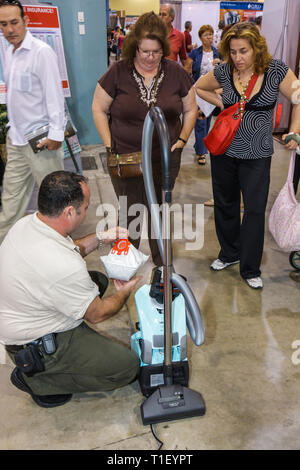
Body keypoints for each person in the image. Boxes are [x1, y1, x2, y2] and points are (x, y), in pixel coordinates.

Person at [0, 171, 140, 407]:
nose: (87, 211)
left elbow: (71, 248)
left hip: (21, 316)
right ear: (68, 212)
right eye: (84, 207)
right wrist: (126, 290)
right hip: (35, 345)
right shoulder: (63, 266)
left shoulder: (29, 224)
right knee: (128, 367)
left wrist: (102, 237)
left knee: (95, 281)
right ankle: (39, 379)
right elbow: (98, 314)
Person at [195, 21, 300, 289]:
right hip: (224, 151)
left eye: (243, 51)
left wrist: (294, 131)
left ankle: (250, 268)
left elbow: (298, 98)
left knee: (253, 210)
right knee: (225, 204)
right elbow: (200, 87)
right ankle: (229, 253)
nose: (238, 58)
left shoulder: (276, 70)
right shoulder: (225, 71)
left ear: (256, 48)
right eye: (233, 51)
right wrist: (224, 105)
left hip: (257, 154)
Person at [92, 12, 197, 267]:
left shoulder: (176, 73)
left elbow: (191, 108)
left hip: (164, 157)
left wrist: (182, 140)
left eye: (156, 52)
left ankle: (163, 271)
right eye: (144, 52)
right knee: (131, 213)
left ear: (164, 48)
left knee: (159, 212)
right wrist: (108, 144)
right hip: (125, 157)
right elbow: (98, 107)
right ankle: (123, 269)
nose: (150, 57)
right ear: (134, 47)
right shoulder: (118, 71)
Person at [0, 0, 65, 244]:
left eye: (14, 22)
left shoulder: (41, 52)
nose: (9, 29)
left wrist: (56, 134)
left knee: (55, 203)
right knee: (10, 203)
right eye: (3, 24)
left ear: (26, 21)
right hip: (16, 139)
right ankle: (5, 254)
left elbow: (54, 95)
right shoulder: (9, 52)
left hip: (41, 142)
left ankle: (63, 251)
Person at [189, 25, 221, 166]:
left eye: (211, 34)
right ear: (201, 37)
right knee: (200, 120)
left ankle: (199, 145)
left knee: (207, 121)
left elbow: (225, 71)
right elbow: (188, 70)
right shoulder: (195, 53)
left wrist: (219, 64)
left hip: (213, 91)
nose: (210, 37)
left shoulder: (218, 53)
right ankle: (202, 152)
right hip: (197, 90)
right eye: (207, 35)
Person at [159, 4, 191, 72]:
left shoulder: (180, 35)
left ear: (172, 17)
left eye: (164, 14)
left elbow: (184, 59)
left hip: (171, 76)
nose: (160, 17)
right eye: (159, 14)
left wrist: (186, 72)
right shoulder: (153, 34)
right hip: (154, 77)